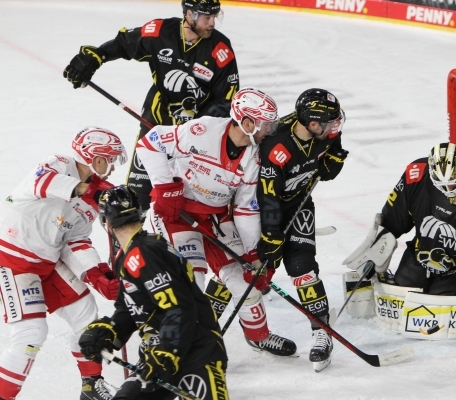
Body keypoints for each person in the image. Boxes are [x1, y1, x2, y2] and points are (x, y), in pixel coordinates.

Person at [134, 87, 296, 357]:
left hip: (216, 216)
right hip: (177, 215)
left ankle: (259, 336)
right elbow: (149, 142)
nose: (270, 130)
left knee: (245, 281)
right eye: (266, 124)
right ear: (247, 123)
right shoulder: (202, 130)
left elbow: (244, 208)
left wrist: (253, 254)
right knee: (192, 281)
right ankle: (168, 342)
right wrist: (164, 187)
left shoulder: (254, 156)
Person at [63, 0, 240, 211]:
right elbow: (124, 43)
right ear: (189, 14)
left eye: (214, 17)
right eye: (206, 17)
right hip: (155, 124)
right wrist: (98, 56)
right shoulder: (160, 32)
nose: (212, 23)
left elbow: (227, 101)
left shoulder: (220, 50)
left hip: (192, 138)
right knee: (135, 200)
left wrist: (196, 128)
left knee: (184, 202)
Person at [0, 127, 126, 400]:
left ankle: (91, 387)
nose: (113, 166)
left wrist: (96, 274)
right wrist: (85, 190)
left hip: (48, 262)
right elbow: (40, 182)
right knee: (31, 333)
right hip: (12, 260)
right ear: (95, 158)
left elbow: (75, 241)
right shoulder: (59, 164)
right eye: (110, 159)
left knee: (87, 315)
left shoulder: (92, 200)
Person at [344, 142, 456, 338]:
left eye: (453, 183)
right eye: (441, 184)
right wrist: (377, 249)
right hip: (420, 255)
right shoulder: (416, 175)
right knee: (401, 294)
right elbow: (394, 218)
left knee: (442, 302)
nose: (447, 189)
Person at [79, 185, 228, 400]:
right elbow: (129, 308)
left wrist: (167, 352)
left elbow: (179, 307)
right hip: (158, 358)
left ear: (106, 222)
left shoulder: (143, 252)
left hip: (195, 353)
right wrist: (109, 332)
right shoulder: (129, 255)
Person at [256, 88, 348, 372]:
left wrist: (335, 158)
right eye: (330, 123)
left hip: (299, 206)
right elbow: (268, 199)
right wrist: (271, 236)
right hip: (262, 212)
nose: (335, 128)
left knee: (302, 268)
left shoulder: (324, 132)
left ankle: (321, 332)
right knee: (247, 272)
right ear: (312, 123)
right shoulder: (277, 147)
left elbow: (328, 160)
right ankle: (232, 331)